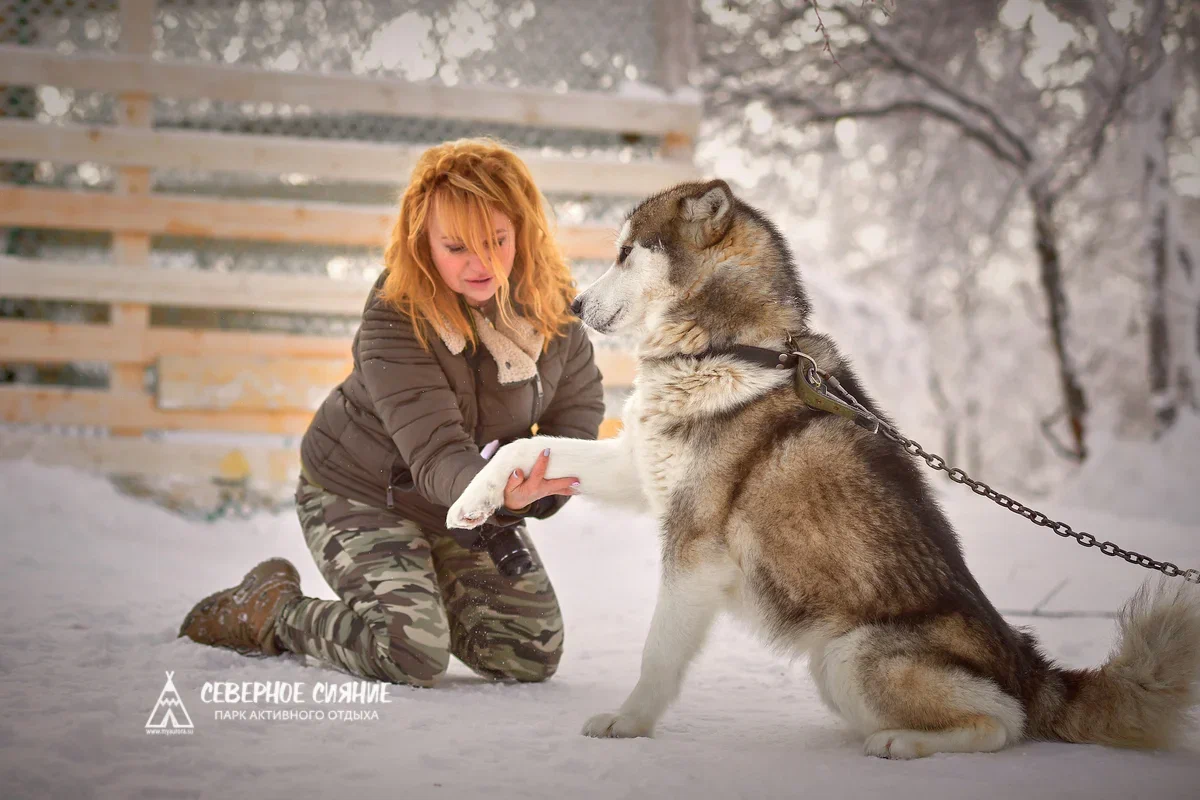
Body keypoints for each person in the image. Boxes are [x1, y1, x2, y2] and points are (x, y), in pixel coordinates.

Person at [178, 139, 605, 686]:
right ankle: (271, 610)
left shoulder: (551, 304)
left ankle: (422, 582)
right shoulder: (395, 315)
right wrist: (499, 489)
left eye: (497, 240)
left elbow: (578, 408)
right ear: (423, 243)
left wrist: (540, 484)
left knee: (528, 655)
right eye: (457, 247)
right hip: (361, 493)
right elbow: (436, 454)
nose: (482, 263)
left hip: (465, 503)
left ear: (521, 229)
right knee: (410, 651)